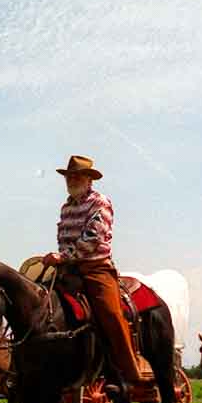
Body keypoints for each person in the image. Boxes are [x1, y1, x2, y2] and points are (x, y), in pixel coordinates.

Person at [41, 154, 154, 384]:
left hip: (95, 267)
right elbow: (63, 237)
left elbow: (92, 236)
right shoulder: (66, 207)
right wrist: (61, 259)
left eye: (76, 176)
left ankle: (130, 370)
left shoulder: (100, 202)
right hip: (68, 268)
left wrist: (63, 256)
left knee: (110, 313)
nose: (71, 180)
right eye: (69, 176)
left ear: (89, 179)